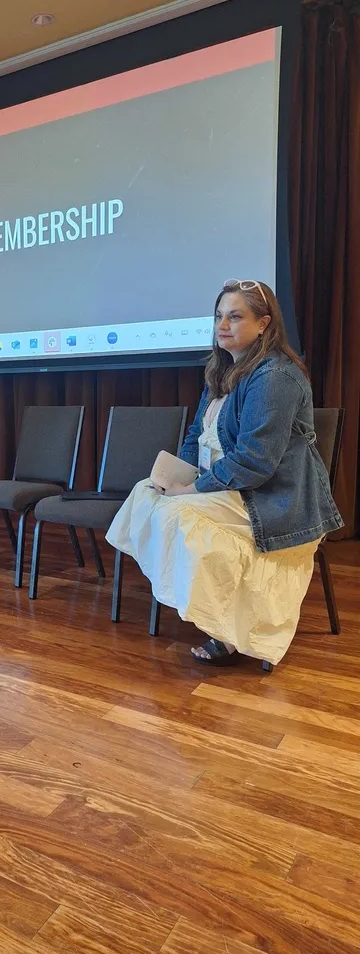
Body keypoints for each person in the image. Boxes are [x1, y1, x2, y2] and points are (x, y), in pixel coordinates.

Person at [106, 279, 343, 667]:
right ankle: (211, 611)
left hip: (271, 498)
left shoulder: (275, 377)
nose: (222, 325)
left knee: (180, 514)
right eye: (219, 316)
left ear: (264, 324)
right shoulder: (223, 371)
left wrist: (191, 490)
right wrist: (177, 476)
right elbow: (196, 434)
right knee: (147, 492)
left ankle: (228, 631)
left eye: (235, 317)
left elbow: (254, 462)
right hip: (228, 486)